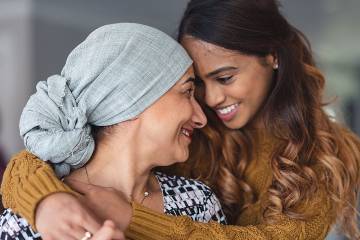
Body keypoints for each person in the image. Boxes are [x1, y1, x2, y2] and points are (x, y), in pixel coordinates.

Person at [2, 0, 360, 239]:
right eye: (195, 85)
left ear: (272, 57)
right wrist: (46, 201)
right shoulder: (191, 135)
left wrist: (131, 218)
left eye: (225, 77)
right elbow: (39, 160)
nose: (210, 101)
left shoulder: (326, 156)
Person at [0, 23, 227, 240]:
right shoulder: (33, 218)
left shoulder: (198, 201)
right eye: (187, 91)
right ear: (131, 100)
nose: (201, 118)